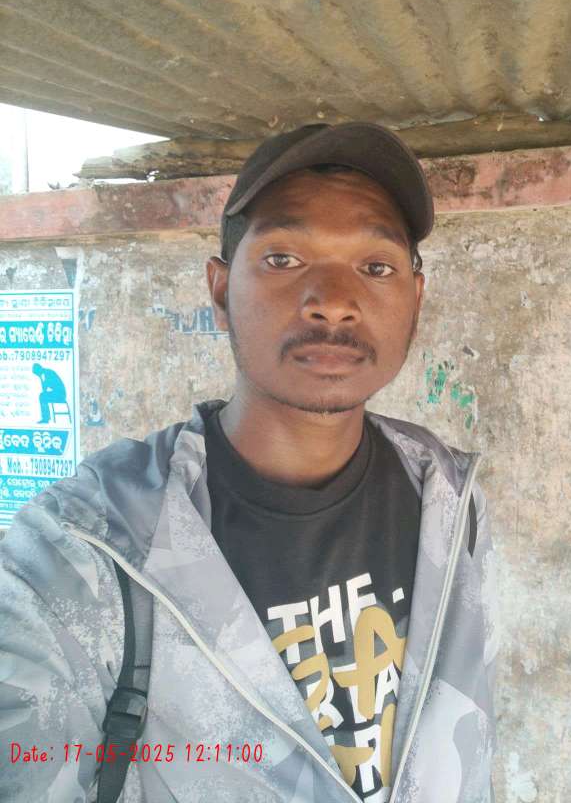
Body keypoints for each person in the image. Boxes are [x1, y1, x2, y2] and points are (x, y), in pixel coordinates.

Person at [0, 122, 500, 802]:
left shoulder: (449, 497)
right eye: (284, 259)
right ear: (219, 291)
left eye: (376, 267)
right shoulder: (82, 551)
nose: (333, 301)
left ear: (416, 297)